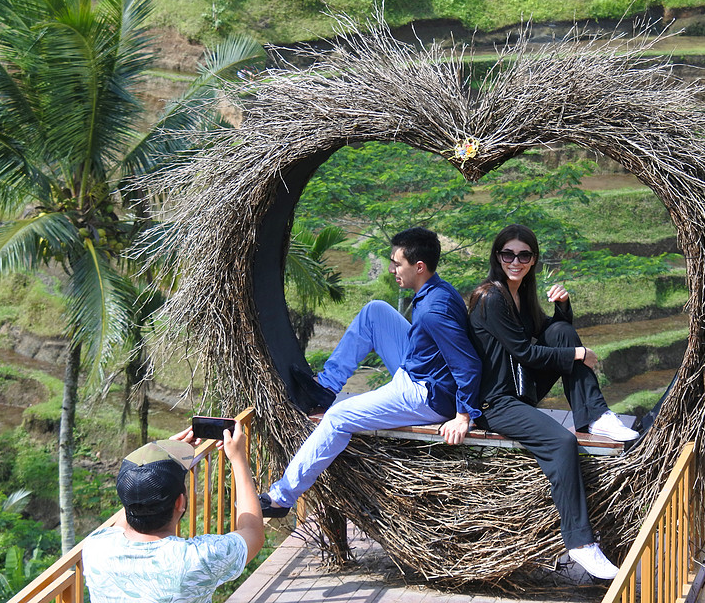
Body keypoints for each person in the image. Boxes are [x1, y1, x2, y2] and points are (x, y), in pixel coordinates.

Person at [259, 226, 482, 517]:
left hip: (424, 393)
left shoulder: (434, 311)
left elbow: (468, 364)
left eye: (397, 263)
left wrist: (463, 416)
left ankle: (282, 497)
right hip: (418, 367)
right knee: (376, 311)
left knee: (338, 418)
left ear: (419, 266)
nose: (392, 269)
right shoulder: (437, 289)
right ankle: (326, 386)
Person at [467, 224, 638, 581]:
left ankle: (595, 416)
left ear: (533, 260)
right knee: (562, 442)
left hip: (520, 388)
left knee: (560, 331)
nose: (516, 261)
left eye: (524, 255)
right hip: (496, 402)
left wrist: (563, 309)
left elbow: (550, 338)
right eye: (508, 254)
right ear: (497, 257)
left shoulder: (521, 296)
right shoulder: (490, 297)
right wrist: (580, 353)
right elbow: (527, 351)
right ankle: (579, 543)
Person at [82, 422, 265, 603]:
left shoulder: (95, 548)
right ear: (180, 502)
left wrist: (158, 458)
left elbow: (133, 501)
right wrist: (239, 459)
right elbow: (253, 533)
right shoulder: (198, 559)